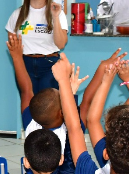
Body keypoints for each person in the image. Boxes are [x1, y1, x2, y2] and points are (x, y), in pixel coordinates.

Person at [7, 34, 87, 166]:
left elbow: (26, 89)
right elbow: (87, 102)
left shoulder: (30, 124)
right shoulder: (68, 132)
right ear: (62, 112)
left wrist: (16, 57)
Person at [5, 0, 67, 94]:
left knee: (47, 106)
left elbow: (61, 44)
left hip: (50, 64)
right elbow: (13, 46)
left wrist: (55, 17)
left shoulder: (57, 13)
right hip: (25, 64)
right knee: (28, 104)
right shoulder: (17, 14)